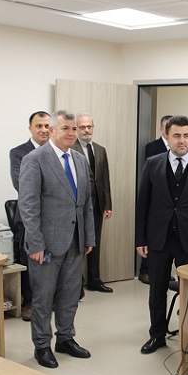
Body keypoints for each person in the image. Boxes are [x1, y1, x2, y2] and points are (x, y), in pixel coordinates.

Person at [135, 115, 188, 354]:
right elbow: (142, 204)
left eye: (186, 135)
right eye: (176, 136)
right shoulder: (153, 163)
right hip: (158, 238)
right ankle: (157, 335)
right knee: (157, 290)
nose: (182, 141)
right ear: (166, 136)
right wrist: (140, 239)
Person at [19, 110, 95, 369]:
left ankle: (65, 338)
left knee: (70, 294)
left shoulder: (79, 160)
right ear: (51, 130)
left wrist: (89, 236)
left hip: (75, 240)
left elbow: (86, 203)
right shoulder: (35, 160)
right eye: (65, 128)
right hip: (46, 243)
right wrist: (35, 243)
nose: (71, 133)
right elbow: (28, 206)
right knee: (43, 297)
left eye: (74, 129)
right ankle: (42, 345)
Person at [8, 110, 51, 321]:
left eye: (47, 126)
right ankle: (29, 302)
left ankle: (48, 300)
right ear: (30, 129)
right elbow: (21, 185)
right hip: (28, 218)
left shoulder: (57, 151)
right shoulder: (19, 153)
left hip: (53, 219)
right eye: (39, 126)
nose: (43, 130)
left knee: (51, 262)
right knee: (29, 262)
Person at [73, 112, 113, 293]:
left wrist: (107, 205)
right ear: (76, 129)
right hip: (78, 204)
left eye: (89, 126)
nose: (86, 130)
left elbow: (104, 180)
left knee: (95, 242)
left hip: (97, 204)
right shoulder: (71, 148)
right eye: (82, 127)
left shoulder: (100, 149)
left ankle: (95, 280)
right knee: (78, 244)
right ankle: (77, 284)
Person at [138, 115, 172, 285]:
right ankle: (145, 271)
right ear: (161, 129)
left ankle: (164, 273)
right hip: (155, 197)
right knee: (151, 239)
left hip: (172, 202)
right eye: (167, 127)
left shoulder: (180, 150)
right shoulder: (152, 147)